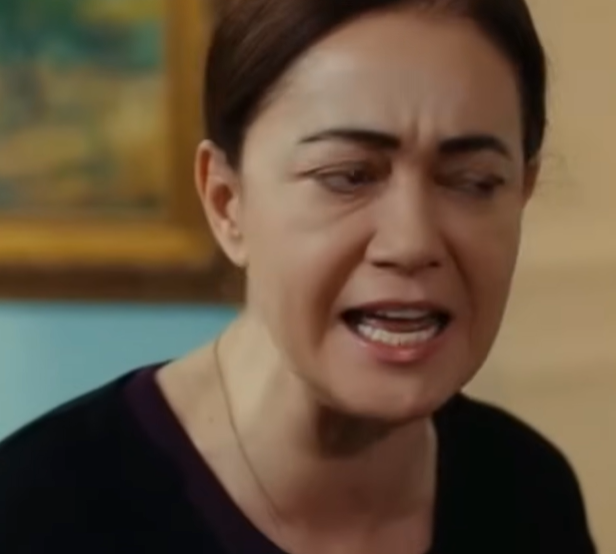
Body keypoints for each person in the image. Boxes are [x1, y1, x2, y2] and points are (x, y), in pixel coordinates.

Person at [0, 0, 597, 553]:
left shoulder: (526, 493)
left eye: (472, 182)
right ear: (226, 202)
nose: (412, 242)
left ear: (521, 194)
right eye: (348, 176)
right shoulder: (38, 514)